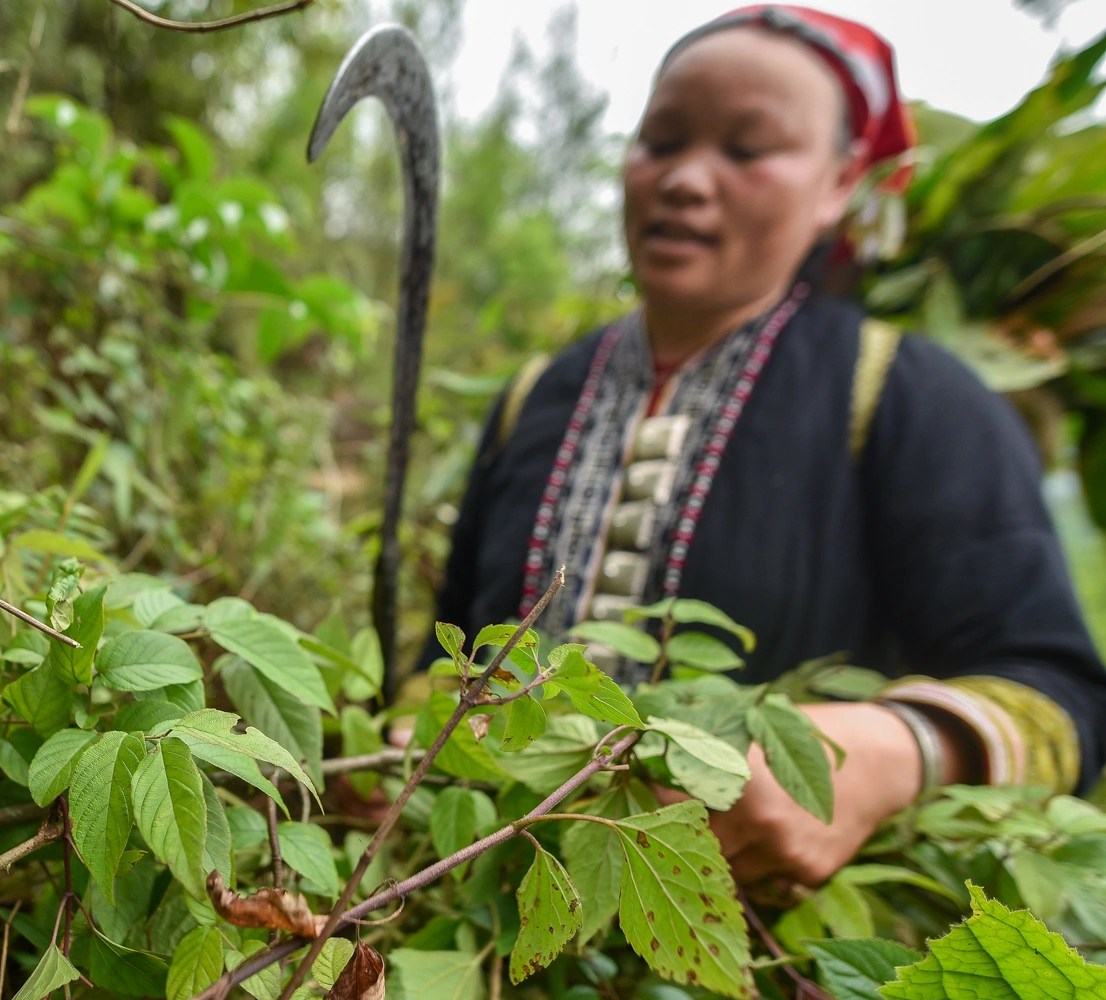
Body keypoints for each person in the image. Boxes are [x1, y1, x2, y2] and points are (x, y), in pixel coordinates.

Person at [418, 5, 1106, 891]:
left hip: (758, 968)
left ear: (839, 184)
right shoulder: (533, 397)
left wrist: (892, 752)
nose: (687, 180)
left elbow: (1065, 699)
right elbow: (445, 655)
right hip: (483, 914)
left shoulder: (912, 396)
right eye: (662, 139)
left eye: (748, 151)